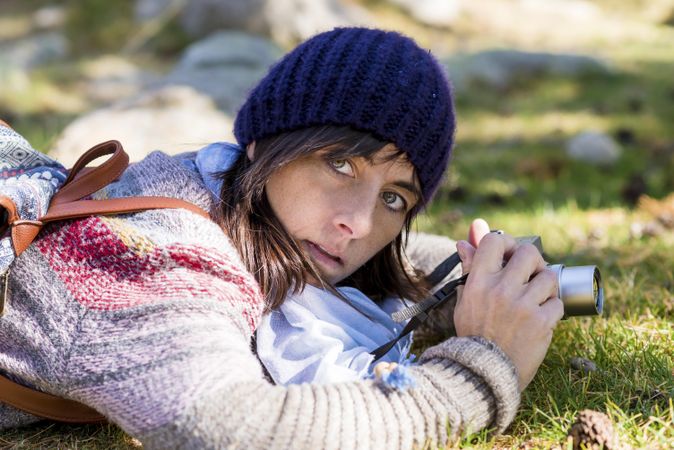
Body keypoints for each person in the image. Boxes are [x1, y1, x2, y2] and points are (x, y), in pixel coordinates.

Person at [0, 27, 563, 449]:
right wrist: (483, 367)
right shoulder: (150, 261)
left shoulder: (219, 188)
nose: (360, 225)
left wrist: (481, 278)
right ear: (264, 145)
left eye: (395, 198)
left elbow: (392, 261)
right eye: (341, 164)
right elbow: (240, 430)